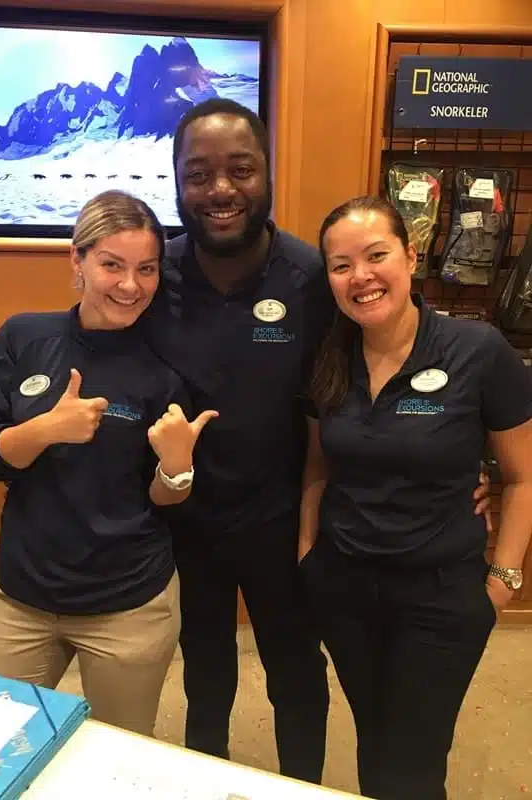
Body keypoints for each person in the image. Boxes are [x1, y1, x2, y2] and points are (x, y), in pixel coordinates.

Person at [142, 98, 492, 784]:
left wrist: (462, 467)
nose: (220, 190)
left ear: (267, 174)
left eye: (240, 169)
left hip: (284, 522)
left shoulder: (311, 279)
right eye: (199, 173)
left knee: (296, 675)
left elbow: (371, 384)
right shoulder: (155, 275)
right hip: (183, 522)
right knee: (205, 676)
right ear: (177, 182)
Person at [298, 195, 532, 800]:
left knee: (415, 760)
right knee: (376, 740)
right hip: (344, 588)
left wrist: (504, 576)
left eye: (376, 256)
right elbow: (320, 464)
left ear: (410, 253)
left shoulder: (478, 352)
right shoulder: (330, 354)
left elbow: (524, 477)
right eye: (341, 265)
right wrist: (308, 556)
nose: (362, 277)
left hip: (440, 597)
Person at [0, 190, 217, 736]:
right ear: (76, 261)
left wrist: (177, 467)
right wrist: (43, 430)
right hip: (22, 596)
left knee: (118, 761)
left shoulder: (168, 365)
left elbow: (166, 498)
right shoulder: (24, 336)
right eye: (112, 265)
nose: (130, 286)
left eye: (146, 269)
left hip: (127, 606)